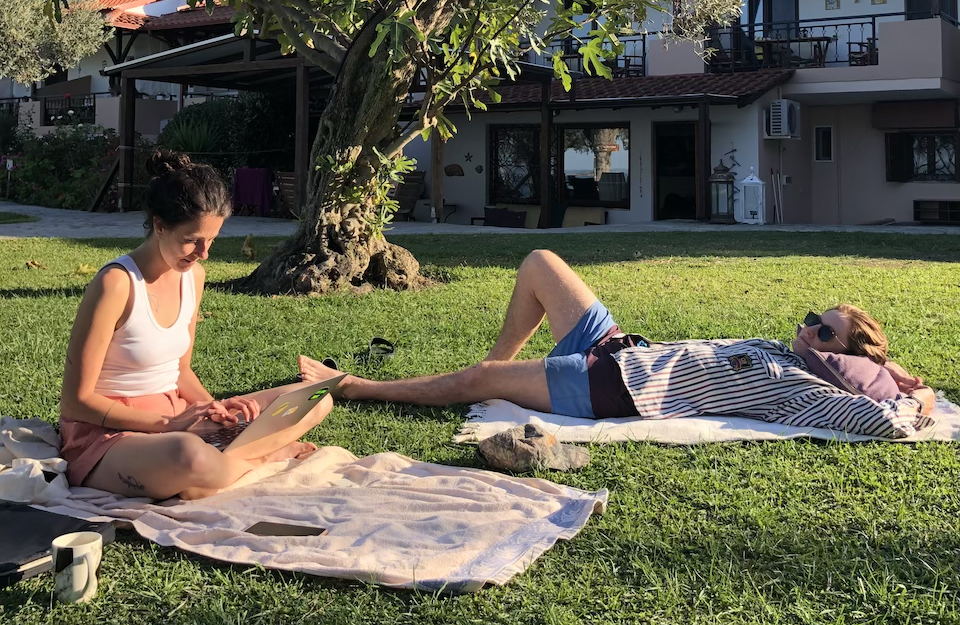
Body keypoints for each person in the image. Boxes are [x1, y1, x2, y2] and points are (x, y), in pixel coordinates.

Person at [298, 249, 936, 439]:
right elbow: (872, 369)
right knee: (540, 264)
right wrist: (889, 363)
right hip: (624, 348)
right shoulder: (783, 348)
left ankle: (353, 385)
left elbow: (887, 421)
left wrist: (918, 394)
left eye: (822, 333)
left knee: (482, 378)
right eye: (811, 319)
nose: (807, 331)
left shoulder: (799, 385)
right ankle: (505, 371)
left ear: (836, 358)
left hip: (619, 387)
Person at [60, 151, 333, 500]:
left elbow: (181, 371)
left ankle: (221, 467)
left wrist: (218, 408)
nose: (203, 253)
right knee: (188, 458)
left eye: (212, 240)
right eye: (192, 240)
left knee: (314, 398)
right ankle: (261, 457)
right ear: (160, 226)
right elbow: (76, 402)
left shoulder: (194, 277)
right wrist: (167, 425)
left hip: (181, 417)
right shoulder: (116, 283)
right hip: (111, 435)